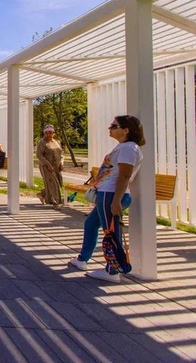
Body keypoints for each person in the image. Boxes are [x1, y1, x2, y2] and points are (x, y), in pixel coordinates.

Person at [69, 115, 145, 283]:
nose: (110, 128)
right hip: (107, 193)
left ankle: (112, 271)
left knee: (111, 231)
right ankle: (82, 259)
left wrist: (116, 200)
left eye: (114, 126)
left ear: (126, 130)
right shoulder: (124, 147)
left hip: (111, 195)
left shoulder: (128, 148)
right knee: (91, 224)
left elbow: (125, 175)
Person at [36, 125, 64, 208]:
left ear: (53, 133)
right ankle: (55, 202)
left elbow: (61, 154)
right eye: (46, 133)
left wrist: (61, 163)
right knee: (53, 183)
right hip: (46, 166)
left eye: (50, 133)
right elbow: (39, 155)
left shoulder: (57, 142)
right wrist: (48, 164)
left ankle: (42, 194)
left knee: (59, 182)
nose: (48, 134)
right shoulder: (42, 142)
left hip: (57, 166)